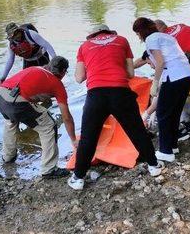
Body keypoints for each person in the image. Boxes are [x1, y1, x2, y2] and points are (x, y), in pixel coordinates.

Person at [68, 24, 163, 191]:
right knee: (137, 130)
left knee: (89, 137)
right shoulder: (122, 40)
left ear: (92, 35)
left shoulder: (84, 46)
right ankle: (154, 166)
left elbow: (79, 77)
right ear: (109, 32)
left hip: (96, 95)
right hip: (120, 92)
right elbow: (130, 74)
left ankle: (78, 178)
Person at [0, 56, 77, 178]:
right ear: (64, 71)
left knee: (11, 121)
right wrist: (73, 139)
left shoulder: (34, 68)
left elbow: (28, 88)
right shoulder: (57, 84)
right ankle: (49, 169)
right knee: (49, 125)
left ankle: (8, 157)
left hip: (0, 97)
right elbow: (66, 117)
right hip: (16, 104)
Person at [133, 18, 190, 163]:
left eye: (137, 33)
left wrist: (154, 83)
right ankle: (172, 146)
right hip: (186, 74)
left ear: (142, 31)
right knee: (174, 111)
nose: (138, 37)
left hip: (173, 77)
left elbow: (160, 62)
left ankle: (166, 151)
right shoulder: (167, 37)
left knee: (163, 113)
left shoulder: (151, 39)